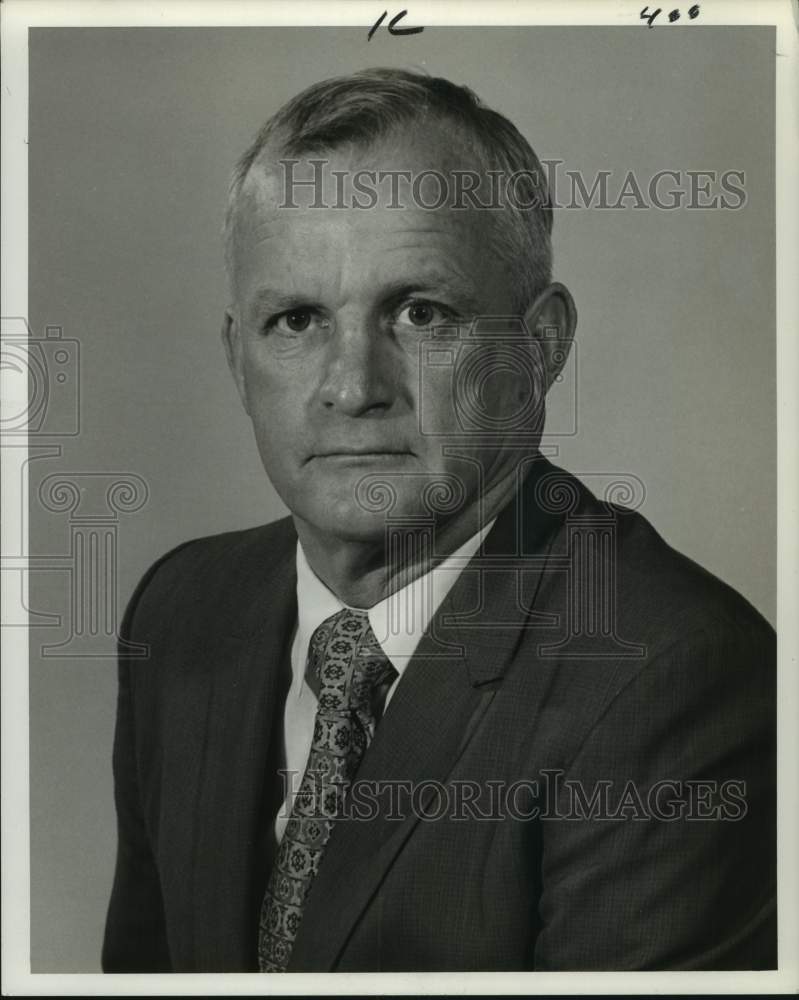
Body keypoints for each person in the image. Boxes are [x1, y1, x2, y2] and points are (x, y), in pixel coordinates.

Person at [102, 68, 776, 973]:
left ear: (540, 346)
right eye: (296, 320)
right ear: (238, 359)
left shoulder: (671, 675)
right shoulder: (181, 610)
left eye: (421, 313)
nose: (351, 388)